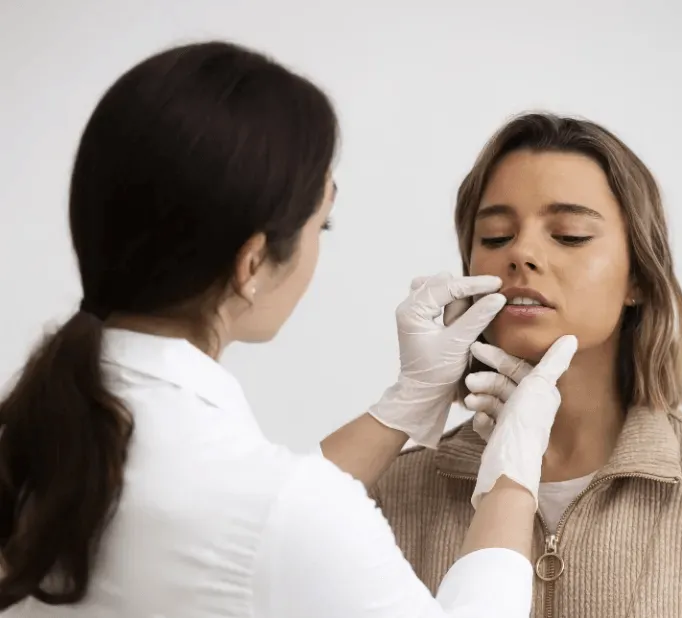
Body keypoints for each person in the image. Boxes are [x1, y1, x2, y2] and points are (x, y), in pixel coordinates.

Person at [0, 42, 578, 617]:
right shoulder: (278, 510)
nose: (521, 257)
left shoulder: (34, 441)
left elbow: (264, 527)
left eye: (571, 236)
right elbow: (275, 528)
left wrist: (404, 405)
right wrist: (511, 480)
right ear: (251, 264)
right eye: (320, 223)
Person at [371, 113, 682, 617]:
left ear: (638, 276)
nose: (522, 254)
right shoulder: (392, 492)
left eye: (570, 235)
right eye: (494, 237)